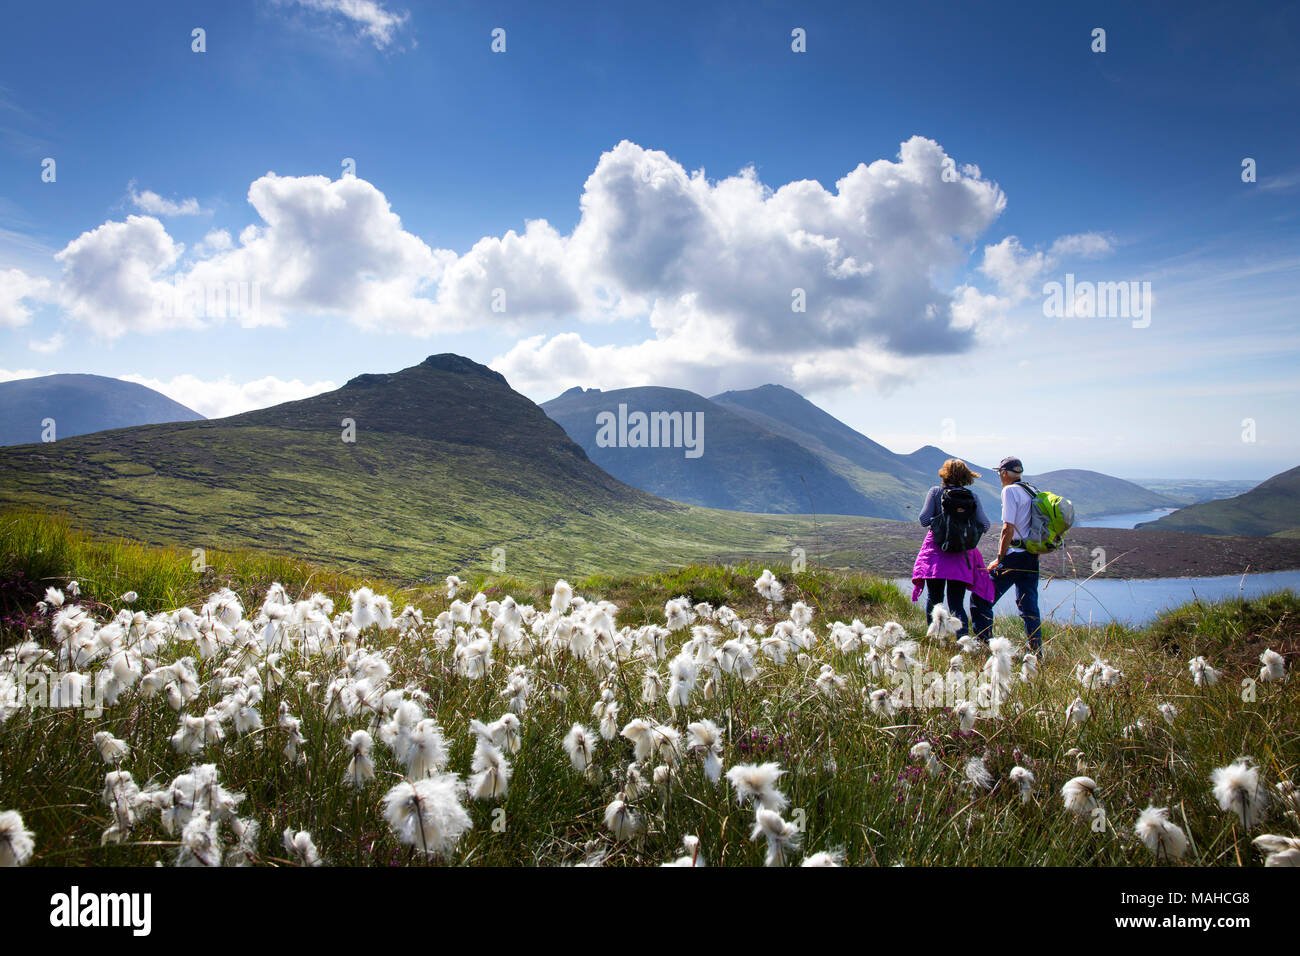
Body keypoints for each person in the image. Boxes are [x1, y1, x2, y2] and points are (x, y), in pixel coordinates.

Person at [910, 458, 994, 636]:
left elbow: (924, 520)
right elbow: (985, 525)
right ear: (966, 476)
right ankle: (963, 642)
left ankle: (935, 641)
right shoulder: (972, 497)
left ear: (944, 474)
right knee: (956, 603)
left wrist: (939, 523)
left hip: (935, 555)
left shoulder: (935, 492)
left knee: (935, 600)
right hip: (961, 557)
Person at [970, 456, 1042, 652]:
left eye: (999, 473)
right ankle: (1036, 652)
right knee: (1029, 607)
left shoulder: (1009, 491)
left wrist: (1000, 558)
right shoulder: (1031, 490)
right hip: (1031, 555)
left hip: (1014, 555)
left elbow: (1007, 528)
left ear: (1003, 473)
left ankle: (985, 646)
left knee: (980, 598)